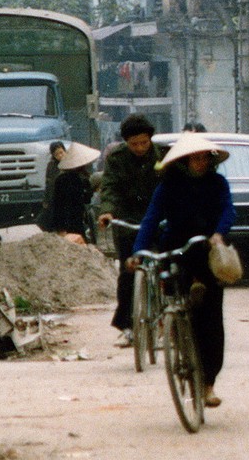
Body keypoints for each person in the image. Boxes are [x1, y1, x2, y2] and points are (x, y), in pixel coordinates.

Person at [129, 132, 235, 408]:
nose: (199, 163)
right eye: (194, 159)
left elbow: (228, 211)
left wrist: (219, 234)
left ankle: (209, 384)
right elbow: (151, 219)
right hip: (175, 249)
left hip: (206, 250)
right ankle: (175, 332)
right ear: (184, 161)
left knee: (211, 319)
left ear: (210, 161)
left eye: (203, 159)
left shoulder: (218, 184)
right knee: (176, 300)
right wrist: (138, 251)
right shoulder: (168, 187)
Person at [97, 114, 167, 347]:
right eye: (134, 144)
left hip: (158, 218)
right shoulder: (116, 159)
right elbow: (109, 188)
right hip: (127, 221)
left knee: (167, 266)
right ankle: (127, 325)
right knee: (128, 274)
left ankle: (168, 319)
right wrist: (107, 211)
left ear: (150, 139)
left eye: (144, 143)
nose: (139, 148)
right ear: (126, 142)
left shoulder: (164, 156)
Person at [51, 142, 100, 243]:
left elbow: (57, 205)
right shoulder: (80, 178)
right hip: (75, 219)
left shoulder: (61, 178)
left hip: (68, 220)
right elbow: (86, 199)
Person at [36, 141, 66, 232]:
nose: (60, 156)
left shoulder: (71, 163)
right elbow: (48, 184)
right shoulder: (51, 166)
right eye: (57, 154)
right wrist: (46, 200)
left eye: (61, 152)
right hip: (54, 198)